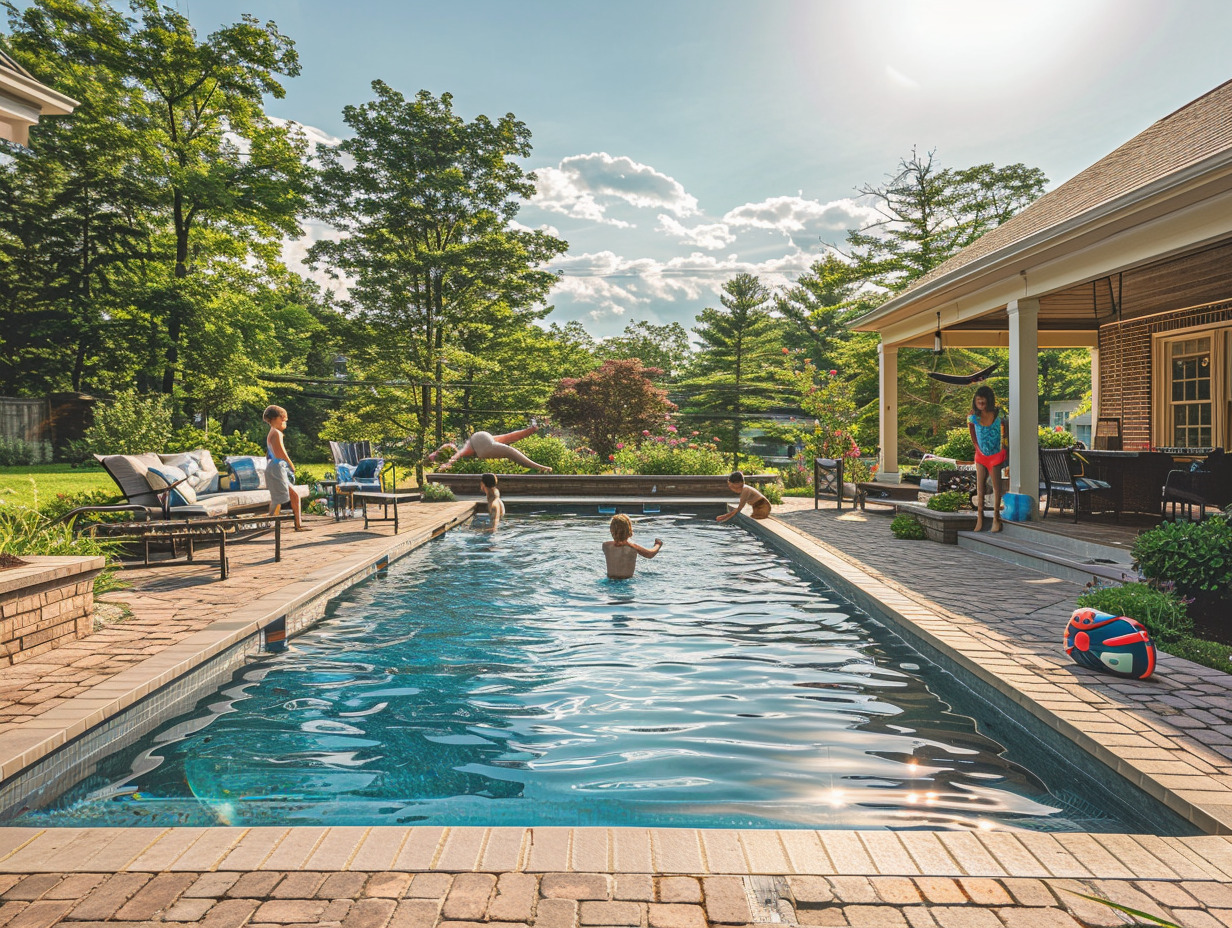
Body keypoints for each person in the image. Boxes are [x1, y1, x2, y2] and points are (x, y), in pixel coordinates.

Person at [967, 385, 1008, 532]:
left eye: (983, 402)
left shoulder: (998, 414)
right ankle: (980, 516)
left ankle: (996, 517)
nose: (981, 405)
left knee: (997, 487)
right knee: (980, 487)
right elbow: (972, 434)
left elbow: (1005, 432)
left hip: (995, 455)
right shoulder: (973, 416)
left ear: (989, 401)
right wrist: (977, 448)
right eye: (978, 402)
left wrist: (1004, 447)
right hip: (981, 455)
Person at [430, 424, 552, 472]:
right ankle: (540, 468)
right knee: (510, 451)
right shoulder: (463, 449)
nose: (450, 443)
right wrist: (446, 464)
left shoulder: (467, 444)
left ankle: (540, 467)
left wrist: (529, 431)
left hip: (483, 441)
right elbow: (456, 456)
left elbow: (509, 437)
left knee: (509, 443)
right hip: (483, 444)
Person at [263, 404, 303, 531]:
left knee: (284, 497)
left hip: (274, 467)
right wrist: (291, 465)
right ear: (277, 418)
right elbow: (281, 452)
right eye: (283, 419)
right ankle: (272, 523)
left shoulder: (272, 433)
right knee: (283, 498)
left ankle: (295, 524)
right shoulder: (276, 433)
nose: (285, 422)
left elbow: (268, 454)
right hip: (277, 468)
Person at [602, 513, 662, 579]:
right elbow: (650, 554)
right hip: (626, 581)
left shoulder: (606, 546)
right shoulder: (633, 547)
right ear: (629, 529)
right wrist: (658, 544)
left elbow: (618, 544)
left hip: (610, 581)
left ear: (611, 530)